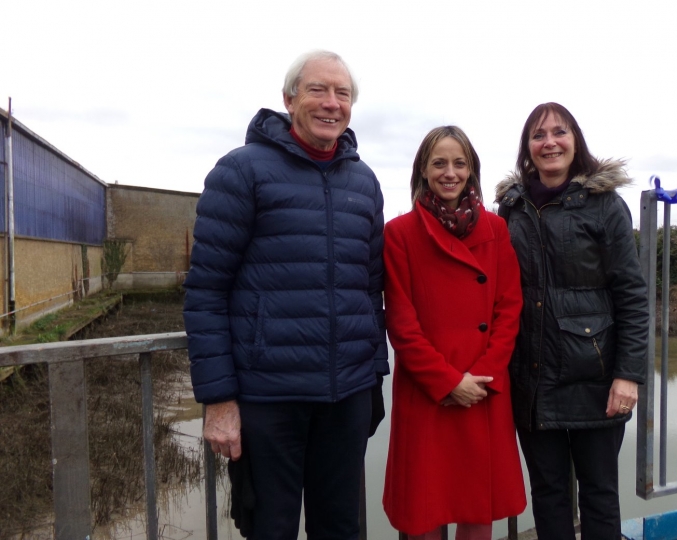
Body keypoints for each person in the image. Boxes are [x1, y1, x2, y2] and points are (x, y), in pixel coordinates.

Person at [183, 50, 387, 540]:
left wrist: (374, 379)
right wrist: (219, 400)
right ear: (289, 98)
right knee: (269, 528)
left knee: (341, 528)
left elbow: (371, 289)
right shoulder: (241, 172)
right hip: (269, 398)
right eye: (318, 89)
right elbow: (206, 291)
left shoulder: (364, 182)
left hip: (346, 396)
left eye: (343, 93)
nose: (331, 103)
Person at [495, 103, 649, 540]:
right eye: (538, 135)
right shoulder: (512, 208)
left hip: (595, 378)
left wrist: (628, 375)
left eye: (559, 132)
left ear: (575, 140)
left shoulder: (605, 206)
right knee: (548, 493)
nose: (549, 143)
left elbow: (631, 296)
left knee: (599, 494)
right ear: (527, 148)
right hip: (533, 377)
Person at [383, 126, 527, 540]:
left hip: (483, 387)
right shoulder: (400, 233)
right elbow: (401, 321)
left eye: (459, 163)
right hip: (429, 391)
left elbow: (509, 308)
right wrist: (447, 382)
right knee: (424, 513)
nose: (450, 172)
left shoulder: (496, 230)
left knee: (476, 508)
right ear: (423, 171)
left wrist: (483, 376)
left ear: (472, 171)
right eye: (439, 163)